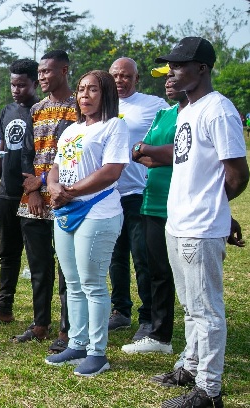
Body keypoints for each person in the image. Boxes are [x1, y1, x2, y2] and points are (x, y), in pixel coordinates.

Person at [150, 37, 249, 408]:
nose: (172, 72)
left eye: (179, 65)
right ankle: (190, 367)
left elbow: (238, 173)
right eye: (171, 65)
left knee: (207, 310)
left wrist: (216, 209)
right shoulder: (188, 110)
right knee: (191, 305)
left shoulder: (218, 110)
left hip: (200, 227)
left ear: (202, 69)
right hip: (178, 223)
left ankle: (209, 391)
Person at [44, 70, 128, 377]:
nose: (84, 95)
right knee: (73, 283)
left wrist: (70, 192)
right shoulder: (71, 130)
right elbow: (55, 168)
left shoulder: (114, 126)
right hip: (66, 212)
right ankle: (77, 343)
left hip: (98, 212)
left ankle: (97, 352)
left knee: (93, 283)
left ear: (106, 94)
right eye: (81, 90)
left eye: (92, 90)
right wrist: (54, 188)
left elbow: (112, 171)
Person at [121, 66, 188, 355]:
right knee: (157, 269)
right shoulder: (164, 115)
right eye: (166, 78)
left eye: (174, 76)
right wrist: (155, 152)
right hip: (153, 200)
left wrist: (151, 150)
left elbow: (185, 152)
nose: (169, 82)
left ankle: (182, 333)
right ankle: (160, 335)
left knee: (179, 273)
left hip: (181, 202)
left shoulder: (195, 115)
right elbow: (140, 153)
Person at [14, 50, 76, 352]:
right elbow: (27, 151)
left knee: (67, 266)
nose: (42, 77)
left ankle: (67, 330)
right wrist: (34, 189)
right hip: (34, 198)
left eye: (47, 71)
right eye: (39, 72)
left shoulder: (79, 106)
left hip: (65, 195)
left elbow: (74, 153)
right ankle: (40, 323)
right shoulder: (37, 108)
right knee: (38, 264)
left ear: (64, 71)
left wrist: (45, 184)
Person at [107, 57, 169, 341]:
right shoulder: (102, 104)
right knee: (114, 257)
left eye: (126, 76)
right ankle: (120, 311)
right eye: (115, 76)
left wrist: (146, 153)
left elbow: (171, 133)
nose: (120, 81)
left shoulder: (153, 105)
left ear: (137, 78)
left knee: (142, 257)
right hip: (107, 193)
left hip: (137, 193)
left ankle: (148, 318)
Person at [0, 59, 38, 331]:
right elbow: (0, 153)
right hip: (7, 195)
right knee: (7, 253)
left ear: (35, 83)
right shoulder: (7, 111)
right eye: (13, 84)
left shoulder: (42, 111)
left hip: (35, 197)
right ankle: (4, 308)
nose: (16, 89)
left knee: (37, 258)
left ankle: (41, 317)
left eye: (22, 85)